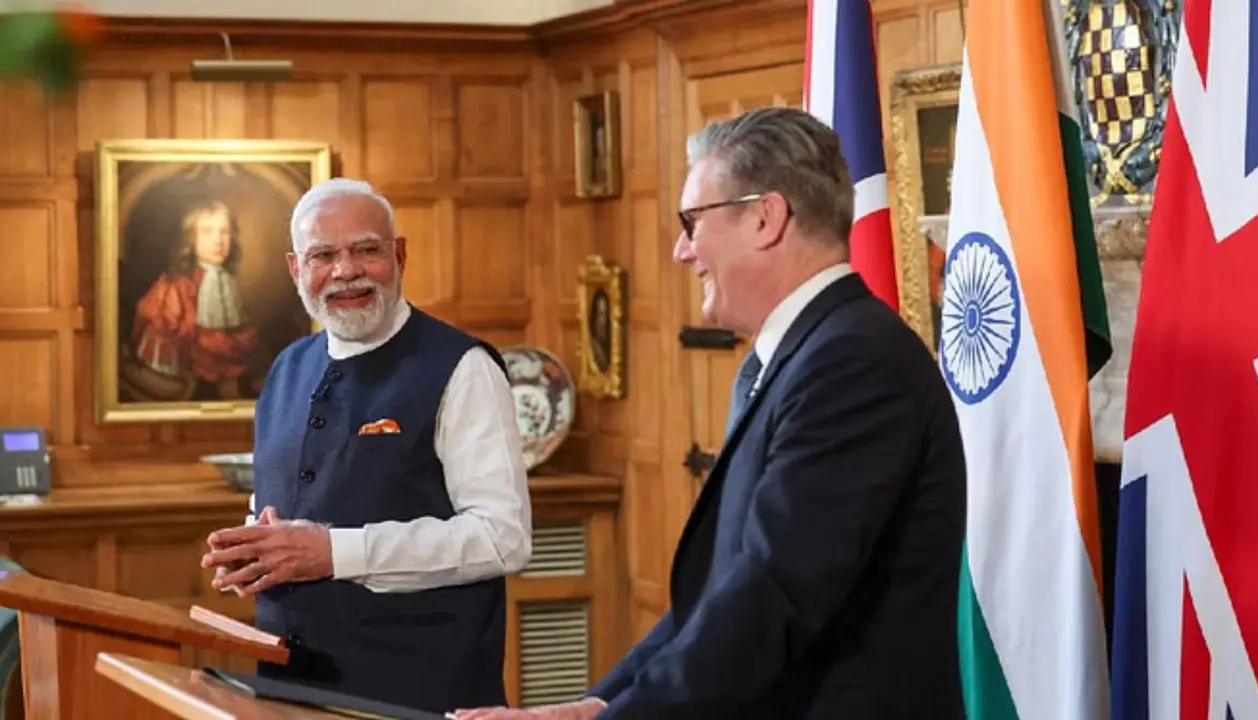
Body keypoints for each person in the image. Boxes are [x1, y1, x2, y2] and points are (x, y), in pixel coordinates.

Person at [456, 107, 967, 719]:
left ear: (764, 216)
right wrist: (597, 705)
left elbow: (771, 595)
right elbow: (718, 594)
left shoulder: (852, 364)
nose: (681, 250)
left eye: (692, 221)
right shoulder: (795, 356)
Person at [200, 177, 533, 714]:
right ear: (296, 270)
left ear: (399, 256)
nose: (345, 270)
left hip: (418, 695)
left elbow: (503, 539)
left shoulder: (462, 367)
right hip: (288, 689)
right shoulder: (286, 368)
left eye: (366, 250)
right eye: (323, 255)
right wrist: (256, 555)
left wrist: (332, 552)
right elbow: (288, 507)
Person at [129, 200, 259, 400]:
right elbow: (176, 331)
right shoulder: (175, 284)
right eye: (207, 232)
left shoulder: (226, 279)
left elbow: (237, 326)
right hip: (181, 360)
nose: (218, 240)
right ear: (191, 239)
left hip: (216, 353)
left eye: (224, 232)